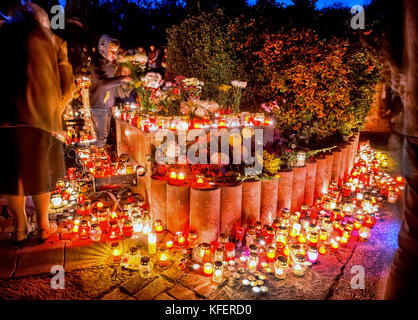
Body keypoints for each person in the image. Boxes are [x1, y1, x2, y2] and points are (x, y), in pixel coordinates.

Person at [0, 3, 75, 243]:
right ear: (43, 21)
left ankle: (20, 228)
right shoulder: (55, 41)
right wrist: (55, 112)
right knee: (39, 170)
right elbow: (68, 86)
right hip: (42, 114)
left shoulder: (2, 35)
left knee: (13, 174)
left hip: (6, 115)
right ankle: (43, 226)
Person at [89, 35, 131, 148]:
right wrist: (122, 79)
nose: (114, 54)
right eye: (111, 51)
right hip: (99, 105)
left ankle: (98, 159)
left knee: (105, 136)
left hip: (105, 105)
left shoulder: (107, 63)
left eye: (115, 51)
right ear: (103, 48)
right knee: (101, 138)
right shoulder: (97, 64)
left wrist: (111, 104)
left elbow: (110, 86)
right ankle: (89, 159)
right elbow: (103, 83)